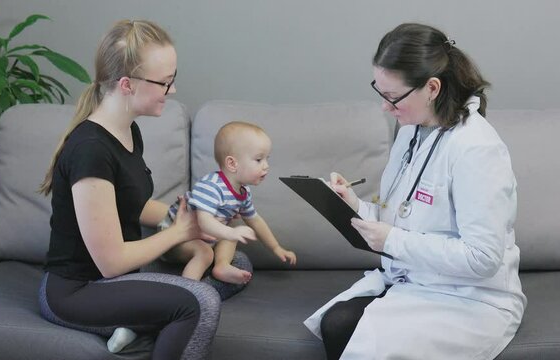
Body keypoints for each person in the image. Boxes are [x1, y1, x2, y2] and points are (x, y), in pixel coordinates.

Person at [305, 23, 526, 359]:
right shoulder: (411, 131)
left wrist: (392, 240)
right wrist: (354, 206)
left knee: (347, 331)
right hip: (418, 282)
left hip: (471, 298)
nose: (385, 107)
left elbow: (482, 258)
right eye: (380, 93)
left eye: (393, 97)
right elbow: (402, 214)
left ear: (432, 87)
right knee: (336, 322)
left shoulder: (476, 148)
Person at [37, 19, 244, 359]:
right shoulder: (90, 149)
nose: (173, 90)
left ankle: (142, 323)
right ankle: (159, 318)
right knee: (199, 302)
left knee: (231, 253)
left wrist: (194, 216)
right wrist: (180, 232)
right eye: (165, 82)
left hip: (116, 278)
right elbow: (112, 262)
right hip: (78, 291)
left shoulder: (128, 131)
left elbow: (130, 202)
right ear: (126, 85)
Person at [160, 121, 297, 284]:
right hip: (176, 239)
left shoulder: (243, 193)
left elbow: (255, 220)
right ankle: (187, 290)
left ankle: (222, 266)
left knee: (230, 235)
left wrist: (276, 247)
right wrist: (230, 233)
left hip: (204, 237)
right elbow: (204, 222)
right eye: (259, 159)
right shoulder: (211, 186)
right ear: (232, 164)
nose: (266, 166)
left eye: (267, 159)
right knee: (207, 252)